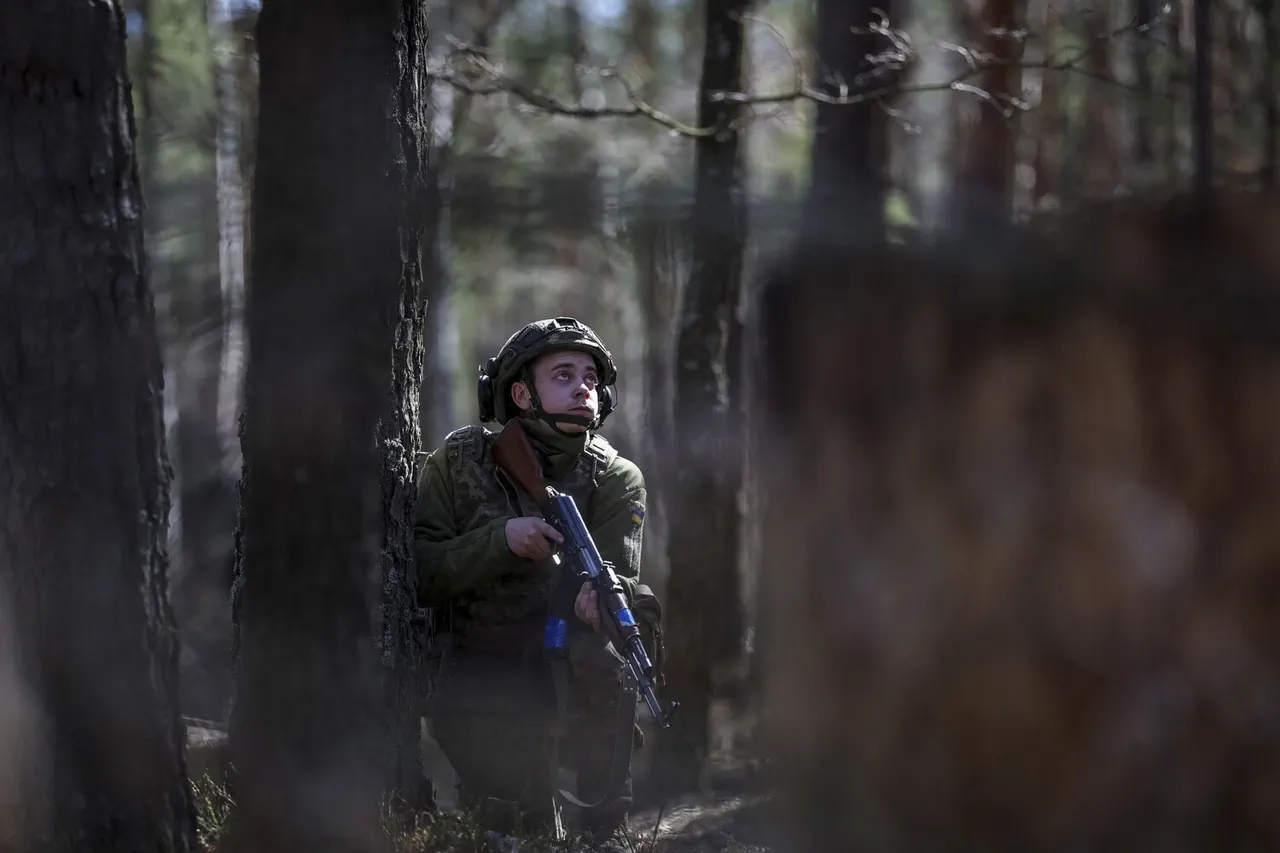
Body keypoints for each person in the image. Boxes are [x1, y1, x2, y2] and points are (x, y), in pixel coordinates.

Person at [413, 317, 664, 849]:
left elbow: (619, 576)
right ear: (522, 394)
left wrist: (604, 602)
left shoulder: (616, 477)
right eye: (564, 375)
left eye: (592, 378)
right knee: (513, 829)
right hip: (481, 673)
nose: (584, 389)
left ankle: (606, 829)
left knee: (613, 646)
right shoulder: (458, 463)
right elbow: (419, 572)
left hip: (570, 671)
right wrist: (500, 540)